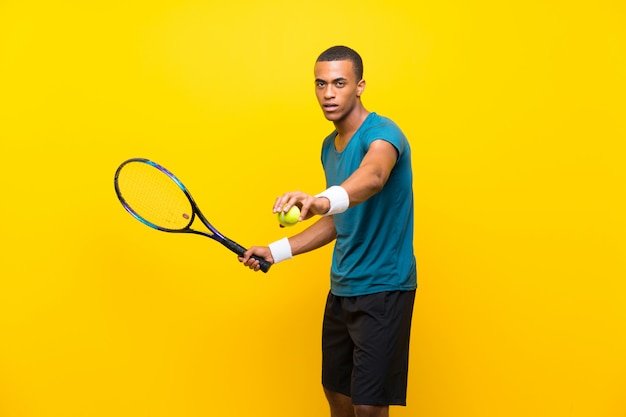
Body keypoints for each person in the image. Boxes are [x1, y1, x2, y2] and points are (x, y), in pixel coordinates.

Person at [240, 45, 417, 417]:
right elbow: (341, 219)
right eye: (321, 84)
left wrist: (321, 199)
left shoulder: (384, 134)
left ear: (360, 86)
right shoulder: (329, 146)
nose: (328, 93)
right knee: (338, 396)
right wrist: (276, 250)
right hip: (343, 287)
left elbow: (373, 177)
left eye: (339, 83)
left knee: (368, 407)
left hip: (384, 287)